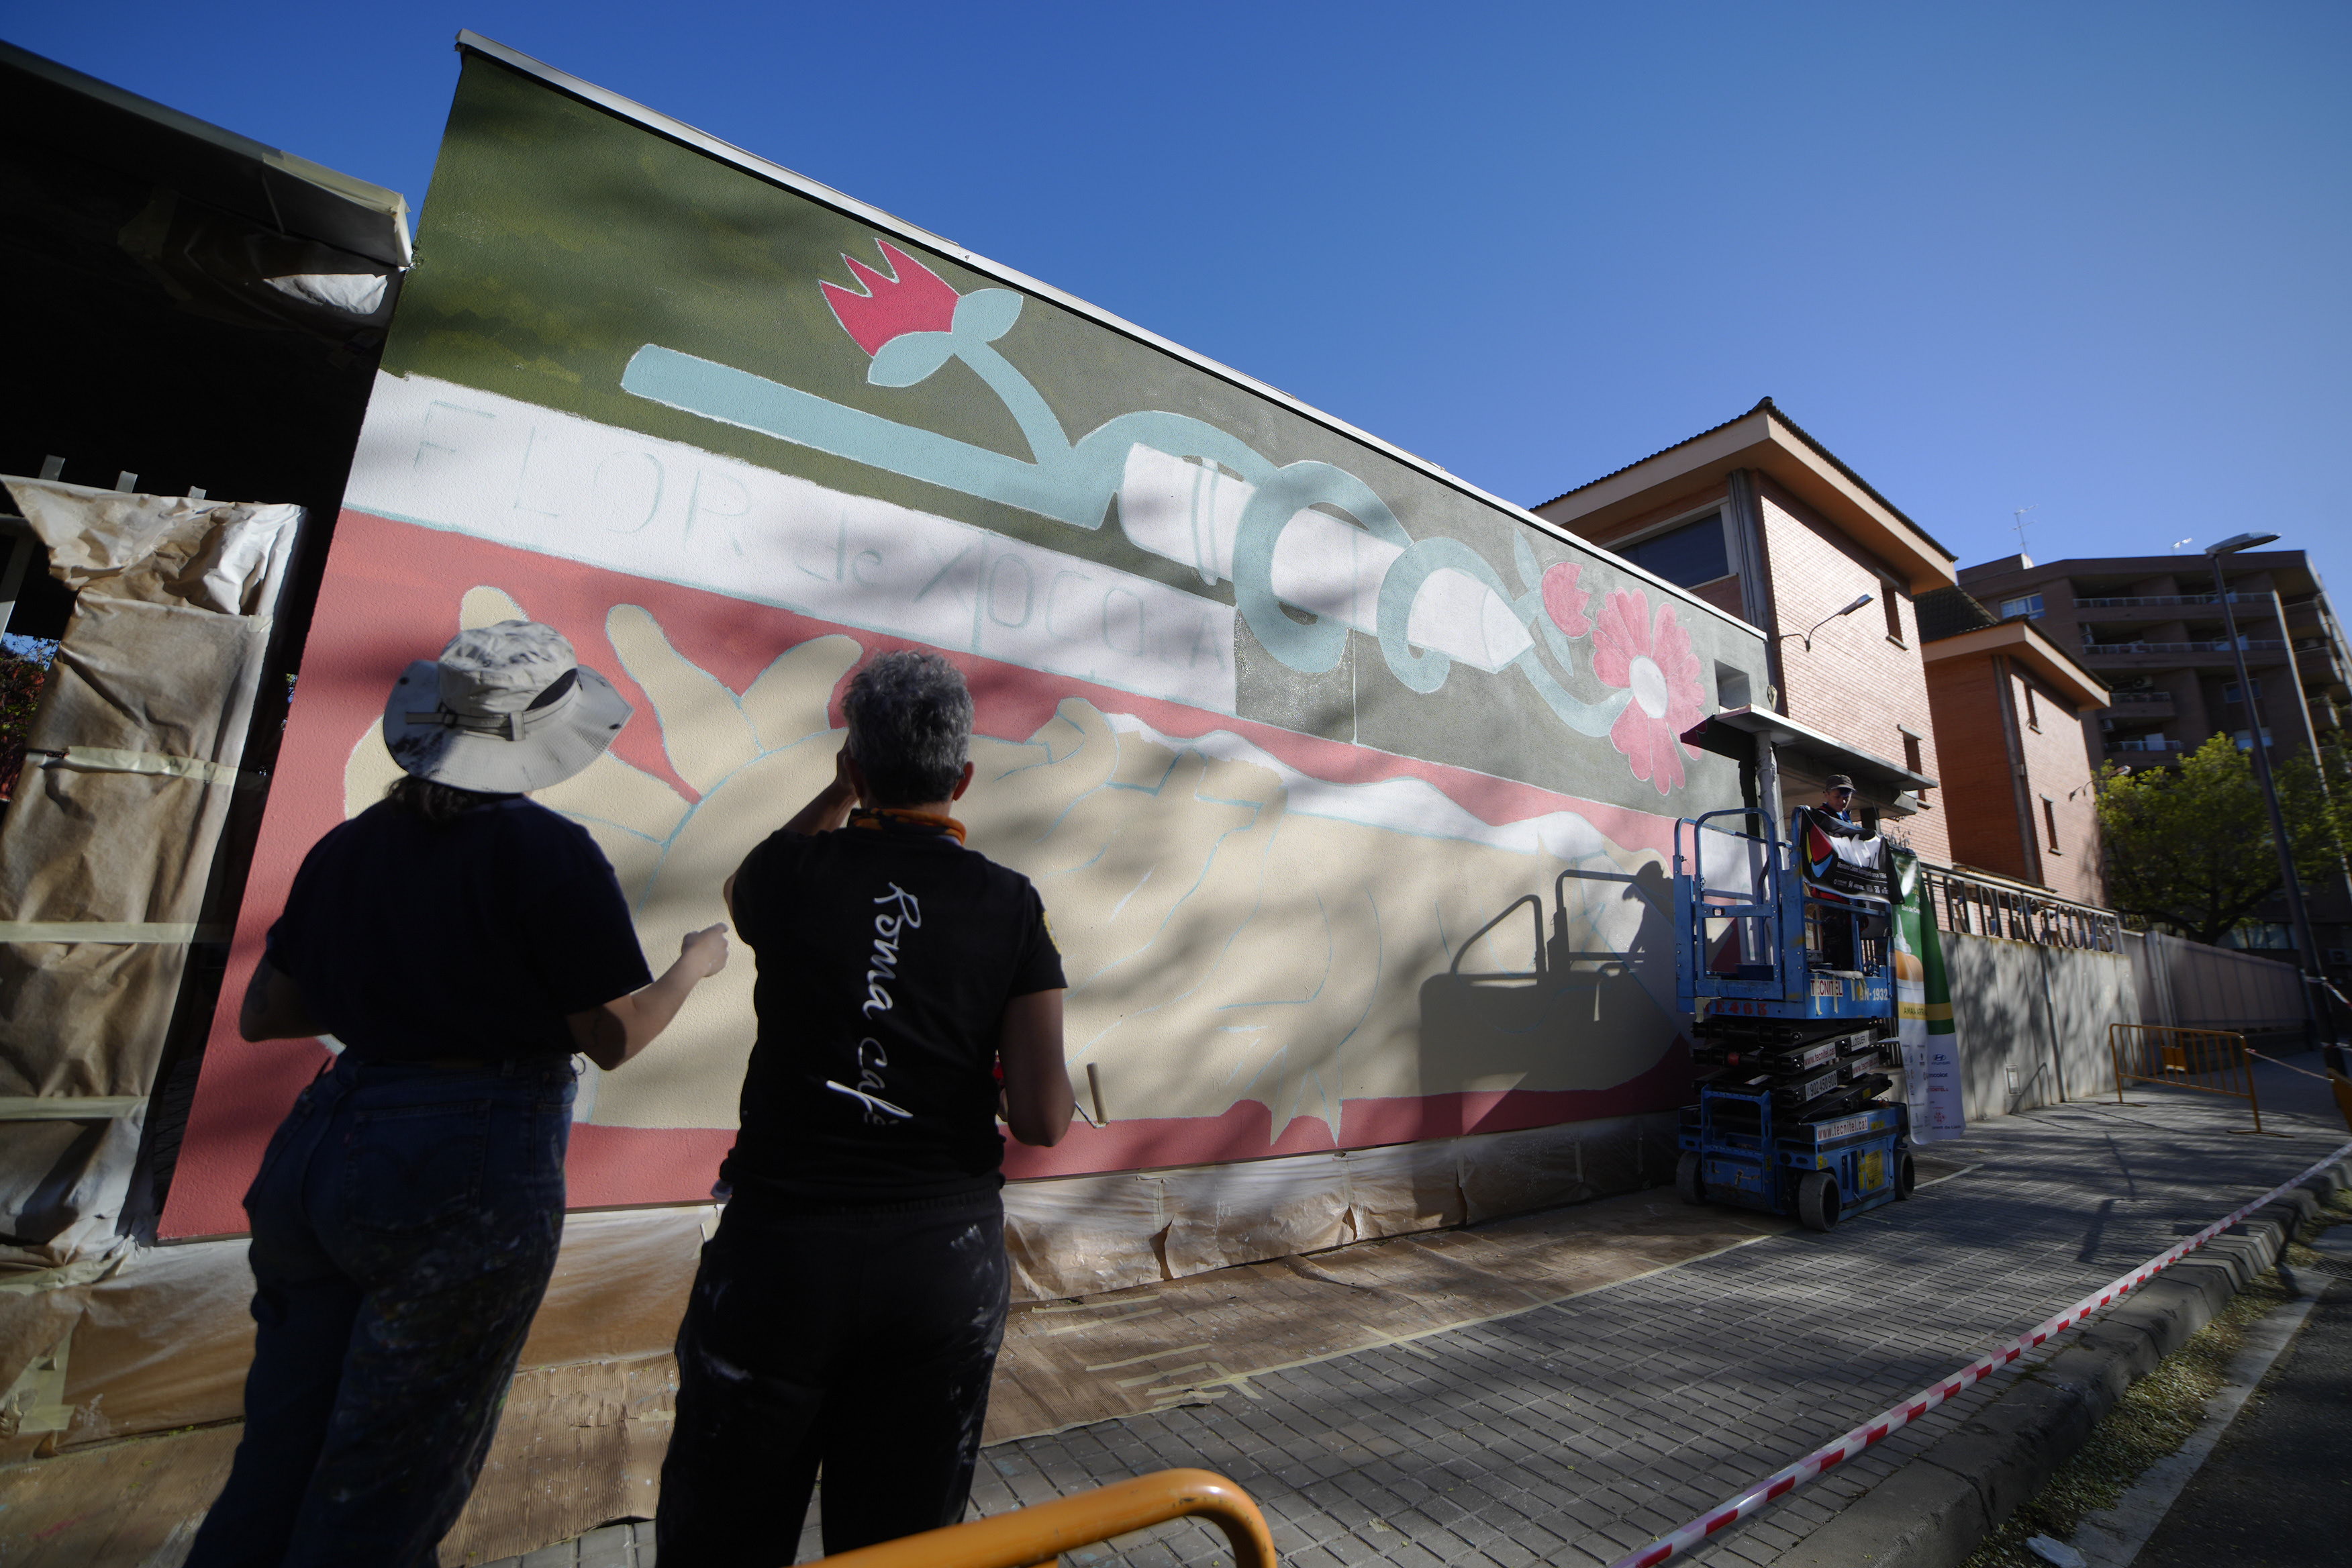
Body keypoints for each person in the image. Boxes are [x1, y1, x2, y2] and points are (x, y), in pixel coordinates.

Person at [187, 621, 728, 1568]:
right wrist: (690, 970)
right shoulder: (549, 853)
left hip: (324, 1142)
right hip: (464, 1165)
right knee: (386, 1485)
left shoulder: (349, 847)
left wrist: (393, 981)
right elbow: (612, 1039)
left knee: (277, 1458)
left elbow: (267, 1014)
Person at [656, 648, 1073, 1565]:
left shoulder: (793, 878)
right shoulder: (1010, 905)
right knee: (902, 1543)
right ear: (962, 777)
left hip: (779, 1260)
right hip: (939, 1266)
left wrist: (840, 795)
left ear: (853, 764)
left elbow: (744, 885)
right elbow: (1044, 1118)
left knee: (722, 1533)